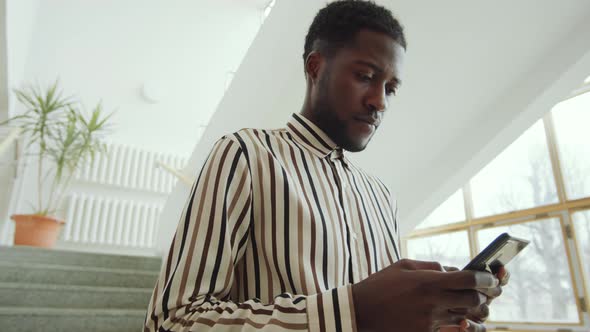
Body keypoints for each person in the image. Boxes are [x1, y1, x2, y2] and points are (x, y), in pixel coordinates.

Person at [144, 1, 508, 331]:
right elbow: (173, 321)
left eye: (391, 88)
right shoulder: (246, 154)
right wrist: (351, 312)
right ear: (316, 67)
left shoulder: (381, 197)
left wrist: (439, 319)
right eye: (365, 76)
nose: (380, 102)